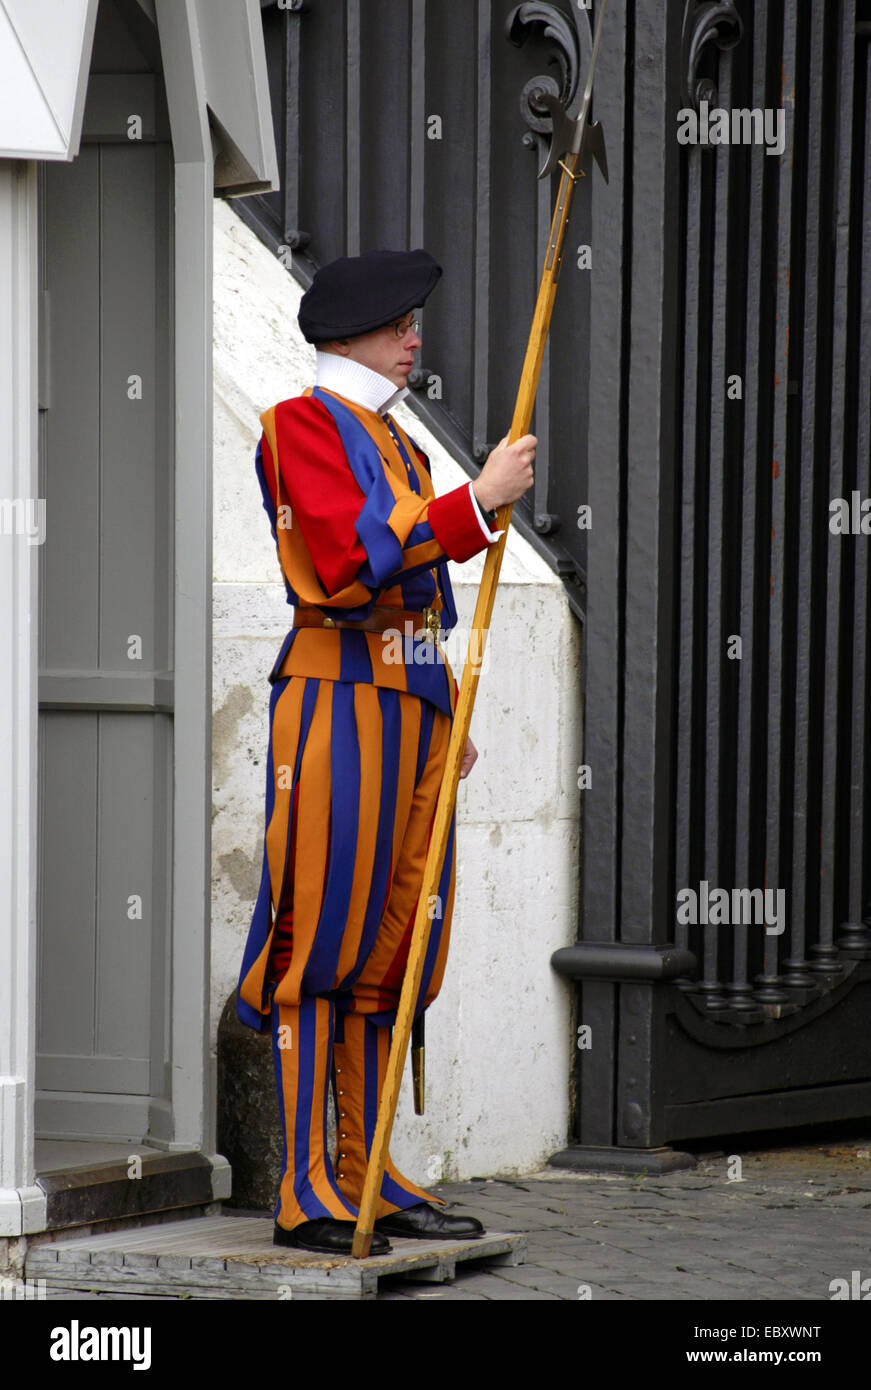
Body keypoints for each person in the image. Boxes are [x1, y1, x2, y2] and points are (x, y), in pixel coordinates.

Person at [236, 248, 536, 1255]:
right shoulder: (301, 426)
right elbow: (353, 557)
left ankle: (370, 1170)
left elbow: (420, 593)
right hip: (336, 700)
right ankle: (307, 1187)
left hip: (406, 706)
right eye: (400, 322)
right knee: (321, 941)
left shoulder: (392, 439)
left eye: (414, 321)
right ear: (353, 329)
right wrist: (477, 501)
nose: (416, 337)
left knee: (395, 947)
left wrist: (442, 708)